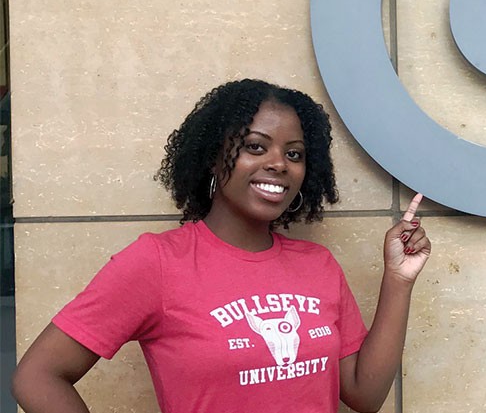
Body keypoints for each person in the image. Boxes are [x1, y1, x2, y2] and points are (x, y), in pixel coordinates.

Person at [11, 79, 431, 413]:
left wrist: (398, 280)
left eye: (295, 153)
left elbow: (364, 395)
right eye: (255, 146)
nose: (278, 163)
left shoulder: (316, 265)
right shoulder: (157, 262)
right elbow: (37, 376)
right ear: (214, 156)